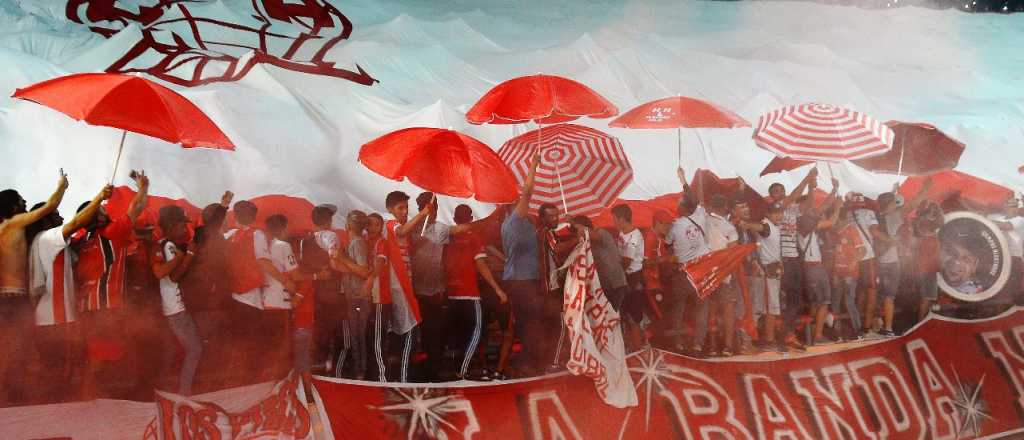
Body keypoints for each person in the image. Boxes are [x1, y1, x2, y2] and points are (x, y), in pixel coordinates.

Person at [28, 184, 111, 403]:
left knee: (63, 370)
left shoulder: (57, 244)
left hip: (61, 318)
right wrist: (99, 197)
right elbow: (76, 223)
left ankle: (59, 412)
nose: (61, 217)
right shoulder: (46, 239)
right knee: (54, 373)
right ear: (45, 221)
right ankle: (49, 417)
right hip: (52, 320)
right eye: (55, 215)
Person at [73, 170, 149, 398]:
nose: (107, 210)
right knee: (101, 361)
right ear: (96, 216)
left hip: (88, 307)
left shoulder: (83, 240)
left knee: (99, 358)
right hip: (105, 308)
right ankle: (90, 404)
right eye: (103, 209)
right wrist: (143, 187)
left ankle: (92, 402)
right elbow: (135, 209)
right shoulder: (111, 233)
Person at [0, 172, 68, 405]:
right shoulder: (13, 223)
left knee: (10, 351)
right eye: (20, 200)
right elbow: (50, 206)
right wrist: (62, 186)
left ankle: (11, 397)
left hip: (4, 299)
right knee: (21, 351)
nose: (25, 203)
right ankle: (16, 399)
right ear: (12, 206)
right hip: (15, 301)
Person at [444, 204, 508, 380]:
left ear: (455, 219)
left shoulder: (449, 238)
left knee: (460, 335)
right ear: (471, 219)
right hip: (470, 294)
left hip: (452, 294)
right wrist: (498, 289)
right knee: (477, 332)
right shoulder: (474, 239)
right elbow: (482, 266)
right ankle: (462, 372)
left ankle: (458, 370)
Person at [379, 191, 431, 382]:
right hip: (397, 288)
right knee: (410, 329)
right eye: (400, 208)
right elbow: (401, 231)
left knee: (401, 333)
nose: (405, 211)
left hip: (404, 287)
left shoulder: (403, 230)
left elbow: (408, 245)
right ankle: (403, 378)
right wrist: (422, 214)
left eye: (406, 208)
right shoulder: (390, 224)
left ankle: (399, 376)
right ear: (390, 209)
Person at [151, 205, 202, 396]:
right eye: (182, 224)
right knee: (195, 349)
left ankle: (166, 389)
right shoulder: (169, 246)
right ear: (173, 225)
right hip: (175, 308)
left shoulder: (163, 244)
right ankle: (184, 393)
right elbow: (174, 277)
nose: (184, 229)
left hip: (170, 308)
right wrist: (189, 254)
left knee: (173, 350)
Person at [767, 169, 817, 351]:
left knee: (795, 300)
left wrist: (811, 188)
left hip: (794, 259)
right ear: (771, 196)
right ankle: (780, 337)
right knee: (783, 301)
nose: (782, 193)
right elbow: (795, 196)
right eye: (777, 191)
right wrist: (807, 177)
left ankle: (788, 334)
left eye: (783, 190)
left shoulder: (791, 210)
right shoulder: (774, 212)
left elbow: (808, 205)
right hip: (782, 261)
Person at [664, 167, 712, 355]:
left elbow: (668, 243)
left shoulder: (676, 225)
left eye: (678, 204)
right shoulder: (701, 216)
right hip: (702, 271)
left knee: (679, 308)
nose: (677, 206)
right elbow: (693, 198)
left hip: (683, 273)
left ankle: (678, 343)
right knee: (701, 308)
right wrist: (683, 180)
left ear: (683, 208)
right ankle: (698, 343)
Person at [874, 179, 932, 336]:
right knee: (889, 296)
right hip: (892, 262)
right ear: (891, 204)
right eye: (894, 202)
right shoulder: (896, 216)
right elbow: (912, 204)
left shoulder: (876, 217)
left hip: (878, 260)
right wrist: (924, 190)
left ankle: (876, 323)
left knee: (878, 294)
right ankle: (887, 328)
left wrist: (894, 191)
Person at [224, 200, 271, 378]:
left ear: (235, 216)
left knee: (237, 342)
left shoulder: (228, 236)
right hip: (251, 296)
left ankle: (234, 378)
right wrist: (284, 280)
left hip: (232, 294)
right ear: (254, 217)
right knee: (254, 343)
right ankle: (250, 380)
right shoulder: (257, 234)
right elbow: (263, 261)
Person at [299, 203, 344, 374]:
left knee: (318, 329)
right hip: (332, 290)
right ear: (329, 220)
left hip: (314, 290)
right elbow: (335, 260)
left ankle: (317, 366)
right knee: (335, 330)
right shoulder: (331, 236)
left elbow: (304, 266)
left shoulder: (305, 241)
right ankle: (333, 369)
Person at [796, 180, 841, 344]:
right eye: (808, 206)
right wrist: (838, 208)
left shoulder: (804, 220)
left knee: (817, 302)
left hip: (813, 267)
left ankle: (812, 333)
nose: (813, 209)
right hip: (813, 268)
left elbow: (822, 206)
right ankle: (817, 335)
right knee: (824, 301)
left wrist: (834, 190)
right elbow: (830, 221)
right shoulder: (803, 222)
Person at [333, 210, 372, 379]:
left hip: (359, 297)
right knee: (356, 335)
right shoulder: (353, 243)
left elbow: (363, 271)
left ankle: (360, 373)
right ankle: (360, 371)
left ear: (348, 225)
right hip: (353, 296)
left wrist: (342, 259)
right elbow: (348, 269)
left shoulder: (357, 243)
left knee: (358, 335)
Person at [262, 214, 300, 377]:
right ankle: (279, 380)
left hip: (264, 299)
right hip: (280, 300)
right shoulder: (283, 246)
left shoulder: (262, 246)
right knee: (282, 344)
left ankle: (267, 377)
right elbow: (295, 273)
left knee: (269, 344)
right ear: (284, 228)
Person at [704, 194, 741, 356]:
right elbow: (734, 253)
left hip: (708, 274)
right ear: (725, 207)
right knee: (728, 312)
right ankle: (728, 346)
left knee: (710, 310)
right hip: (726, 274)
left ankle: (712, 346)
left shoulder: (703, 223)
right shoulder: (729, 228)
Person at [847, 192, 886, 337]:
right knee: (871, 291)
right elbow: (874, 231)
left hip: (854, 258)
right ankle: (866, 327)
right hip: (868, 256)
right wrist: (890, 240)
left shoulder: (848, 216)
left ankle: (859, 325)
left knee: (861, 291)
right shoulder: (868, 213)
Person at [570, 215, 629, 310]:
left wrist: (576, 225)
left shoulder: (600, 233)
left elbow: (593, 235)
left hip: (614, 284)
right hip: (607, 285)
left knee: (611, 316)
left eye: (577, 230)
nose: (578, 235)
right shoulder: (589, 242)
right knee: (610, 317)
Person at [611, 204, 647, 349]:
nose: (613, 222)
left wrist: (613, 269)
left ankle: (638, 348)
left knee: (634, 317)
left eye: (614, 219)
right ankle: (628, 346)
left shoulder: (635, 235)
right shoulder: (621, 233)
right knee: (623, 314)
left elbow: (626, 261)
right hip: (624, 276)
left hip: (634, 278)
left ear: (621, 219)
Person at [832, 206, 866, 341]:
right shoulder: (836, 233)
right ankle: (837, 332)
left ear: (841, 218)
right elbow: (836, 255)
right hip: (838, 273)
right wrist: (834, 274)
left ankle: (858, 331)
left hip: (850, 275)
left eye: (836, 218)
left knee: (849, 302)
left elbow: (862, 251)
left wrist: (853, 263)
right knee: (835, 302)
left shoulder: (851, 230)